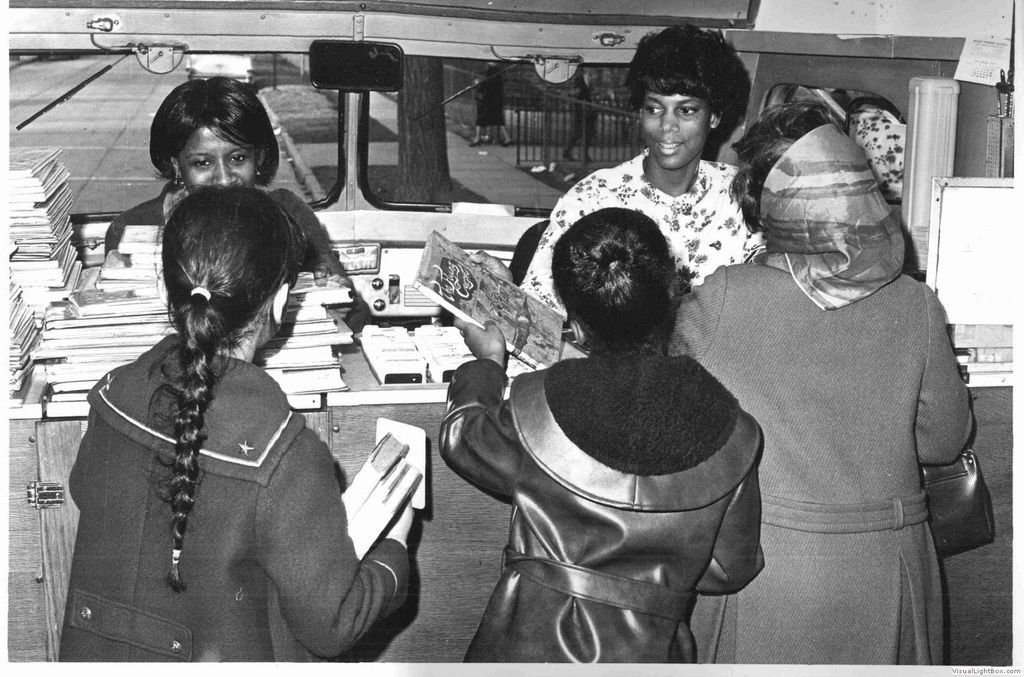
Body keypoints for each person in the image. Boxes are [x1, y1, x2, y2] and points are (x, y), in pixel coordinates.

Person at [673, 102, 972, 664]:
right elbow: (943, 442)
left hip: (766, 570)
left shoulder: (724, 297)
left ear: (762, 202)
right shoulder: (918, 305)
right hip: (891, 566)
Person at [61, 187, 414, 662]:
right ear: (280, 302)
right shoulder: (285, 454)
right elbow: (332, 626)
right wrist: (395, 548)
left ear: (168, 289)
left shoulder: (109, 396)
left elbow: (86, 489)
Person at [439, 207, 764, 663]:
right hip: (655, 651)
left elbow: (463, 435)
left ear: (575, 320)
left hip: (529, 642)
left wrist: (487, 363)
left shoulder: (539, 403)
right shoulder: (737, 431)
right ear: (673, 293)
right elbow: (731, 567)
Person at [521, 24, 762, 313]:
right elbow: (536, 311)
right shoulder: (592, 198)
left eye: (686, 110)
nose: (666, 126)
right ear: (639, 112)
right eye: (654, 108)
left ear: (714, 117)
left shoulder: (743, 195)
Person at [103, 76, 348, 286]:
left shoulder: (289, 212)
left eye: (238, 158)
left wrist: (334, 291)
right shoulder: (131, 229)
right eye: (202, 163)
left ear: (258, 156)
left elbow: (354, 313)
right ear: (176, 165)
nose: (223, 179)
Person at [469, 63, 513, 147]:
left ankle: (477, 138)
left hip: (487, 103)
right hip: (496, 103)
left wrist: (478, 83)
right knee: (498, 121)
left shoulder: (489, 80)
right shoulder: (498, 80)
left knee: (480, 120)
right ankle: (507, 138)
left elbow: (482, 88)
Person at [562, 69, 598, 162]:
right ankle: (567, 152)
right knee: (578, 133)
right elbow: (575, 94)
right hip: (581, 113)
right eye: (593, 74)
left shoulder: (590, 83)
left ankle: (585, 155)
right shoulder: (579, 81)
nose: (594, 77)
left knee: (588, 134)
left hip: (589, 113)